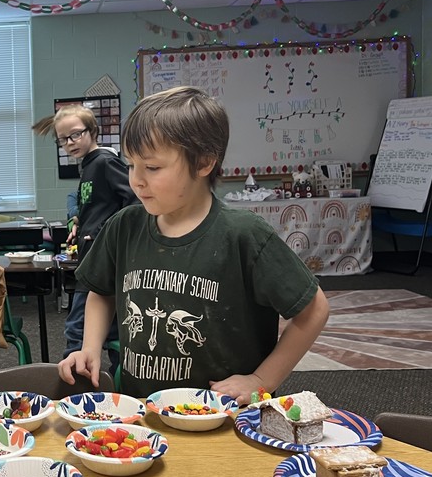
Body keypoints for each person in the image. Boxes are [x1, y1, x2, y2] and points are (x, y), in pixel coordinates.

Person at [58, 86, 329, 404]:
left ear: (203, 163)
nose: (136, 180)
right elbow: (101, 292)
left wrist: (261, 379)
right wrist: (89, 347)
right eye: (131, 165)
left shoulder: (244, 234)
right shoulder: (124, 226)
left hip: (224, 417)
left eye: (153, 167)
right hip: (144, 413)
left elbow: (314, 310)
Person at [37, 105, 138, 369]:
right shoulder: (89, 165)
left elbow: (134, 202)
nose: (69, 143)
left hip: (101, 261)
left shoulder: (105, 161)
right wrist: (80, 222)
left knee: (76, 334)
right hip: (94, 258)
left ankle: (72, 397)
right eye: (63, 139)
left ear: (93, 131)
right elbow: (101, 203)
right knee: (116, 334)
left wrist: (104, 232)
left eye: (76, 135)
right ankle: (119, 392)